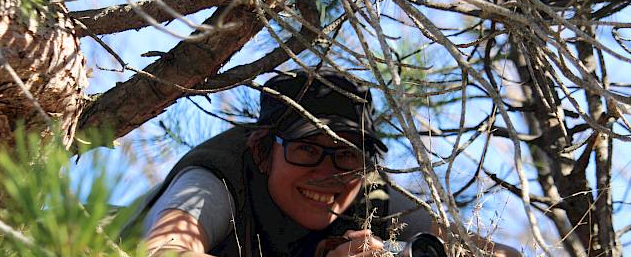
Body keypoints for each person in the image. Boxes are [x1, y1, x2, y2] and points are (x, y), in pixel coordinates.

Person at [127, 69, 520, 256]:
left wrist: (387, 251)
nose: (330, 172)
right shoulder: (218, 177)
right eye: (307, 149)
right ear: (264, 151)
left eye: (348, 153)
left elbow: (505, 255)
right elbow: (162, 251)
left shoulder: (368, 190)